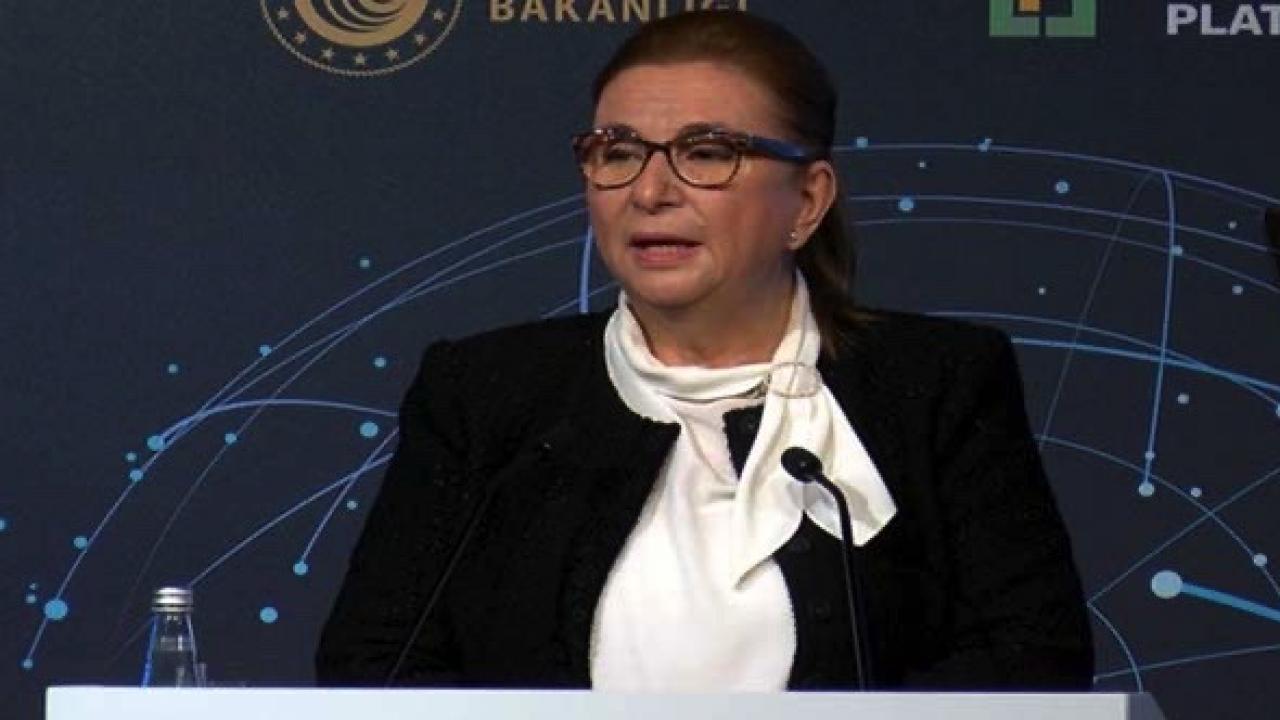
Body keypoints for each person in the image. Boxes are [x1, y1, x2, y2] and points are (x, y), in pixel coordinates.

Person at [316, 9, 1093, 691]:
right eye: (617, 152)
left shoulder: (935, 382)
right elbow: (375, 666)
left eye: (708, 151)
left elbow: (1033, 661)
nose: (650, 191)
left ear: (808, 199)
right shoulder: (487, 394)